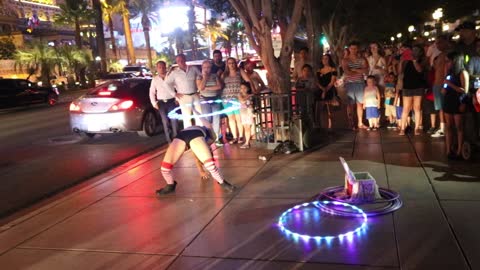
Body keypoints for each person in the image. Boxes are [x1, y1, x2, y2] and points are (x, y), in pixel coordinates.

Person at [155, 109, 236, 195]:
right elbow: (208, 125)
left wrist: (196, 112)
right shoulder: (212, 137)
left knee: (210, 165)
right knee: (165, 168)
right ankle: (170, 185)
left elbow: (198, 158)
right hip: (186, 135)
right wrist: (196, 112)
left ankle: (223, 183)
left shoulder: (203, 142)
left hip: (190, 135)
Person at [442, 51, 470, 160]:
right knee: (449, 126)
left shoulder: (463, 73)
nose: (447, 63)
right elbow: (445, 84)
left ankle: (459, 150)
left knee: (459, 127)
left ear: (455, 61)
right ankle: (448, 149)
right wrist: (444, 88)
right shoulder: (449, 73)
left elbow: (464, 90)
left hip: (458, 101)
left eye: (448, 61)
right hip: (448, 100)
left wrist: (450, 85)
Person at [166, 54, 203, 128]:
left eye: (182, 60)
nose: (181, 62)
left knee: (199, 116)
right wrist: (174, 94)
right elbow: (166, 83)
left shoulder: (193, 69)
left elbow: (201, 77)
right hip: (183, 97)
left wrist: (200, 91)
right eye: (178, 61)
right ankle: (189, 136)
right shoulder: (175, 73)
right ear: (177, 62)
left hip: (195, 95)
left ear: (185, 59)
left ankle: (200, 134)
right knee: (187, 118)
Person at [398, 44, 428, 136]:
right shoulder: (406, 61)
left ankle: (417, 128)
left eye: (416, 50)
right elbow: (400, 72)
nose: (414, 52)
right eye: (413, 50)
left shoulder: (423, 60)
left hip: (418, 86)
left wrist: (414, 61)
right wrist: (401, 61)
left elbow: (419, 70)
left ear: (420, 52)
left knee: (417, 108)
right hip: (407, 86)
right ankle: (402, 128)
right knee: (406, 108)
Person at [221, 57, 251, 144]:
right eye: (229, 63)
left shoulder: (239, 71)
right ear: (227, 64)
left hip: (238, 97)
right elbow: (220, 84)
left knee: (238, 117)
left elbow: (247, 80)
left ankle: (241, 136)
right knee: (231, 118)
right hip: (226, 98)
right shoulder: (225, 74)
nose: (231, 65)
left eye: (233, 63)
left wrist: (248, 92)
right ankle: (234, 137)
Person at [149, 60, 178, 143]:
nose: (161, 69)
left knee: (174, 121)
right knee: (165, 122)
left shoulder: (170, 77)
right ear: (157, 69)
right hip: (161, 103)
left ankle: (176, 139)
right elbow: (151, 92)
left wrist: (177, 99)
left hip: (171, 101)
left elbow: (177, 87)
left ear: (165, 67)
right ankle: (169, 141)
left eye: (163, 67)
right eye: (159, 67)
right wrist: (154, 103)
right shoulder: (155, 79)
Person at [342, 41, 369, 130]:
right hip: (350, 84)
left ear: (358, 49)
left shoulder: (362, 59)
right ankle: (351, 122)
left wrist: (354, 69)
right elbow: (347, 72)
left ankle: (360, 123)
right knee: (350, 105)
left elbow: (366, 71)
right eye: (352, 48)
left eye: (355, 48)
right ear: (349, 49)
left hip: (360, 83)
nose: (353, 50)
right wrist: (359, 70)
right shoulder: (345, 60)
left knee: (360, 104)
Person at [196, 60, 223, 145]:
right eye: (205, 67)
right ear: (202, 68)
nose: (207, 69)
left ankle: (217, 138)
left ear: (211, 68)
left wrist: (207, 88)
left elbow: (219, 86)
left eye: (208, 67)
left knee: (216, 119)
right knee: (207, 120)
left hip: (215, 99)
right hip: (204, 100)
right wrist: (205, 78)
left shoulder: (215, 75)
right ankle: (208, 137)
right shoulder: (199, 77)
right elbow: (200, 88)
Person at [431, 35, 450, 138]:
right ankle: (443, 127)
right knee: (440, 108)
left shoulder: (448, 55)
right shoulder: (439, 55)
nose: (438, 45)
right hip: (437, 84)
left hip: (443, 84)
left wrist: (445, 85)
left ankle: (444, 129)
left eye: (440, 42)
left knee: (444, 108)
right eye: (437, 43)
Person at [316, 54, 338, 129]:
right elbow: (317, 81)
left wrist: (325, 90)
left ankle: (330, 126)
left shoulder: (333, 69)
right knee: (319, 109)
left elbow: (332, 82)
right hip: (320, 89)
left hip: (330, 89)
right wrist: (322, 89)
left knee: (330, 110)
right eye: (323, 59)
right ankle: (319, 126)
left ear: (329, 60)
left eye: (326, 59)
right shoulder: (319, 70)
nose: (324, 60)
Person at [238, 82, 254, 149]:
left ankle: (247, 142)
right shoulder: (239, 95)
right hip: (243, 113)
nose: (243, 89)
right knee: (245, 127)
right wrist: (249, 96)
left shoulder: (251, 96)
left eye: (244, 88)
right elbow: (242, 101)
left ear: (248, 88)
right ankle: (247, 142)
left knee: (248, 127)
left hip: (249, 112)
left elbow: (251, 104)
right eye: (241, 88)